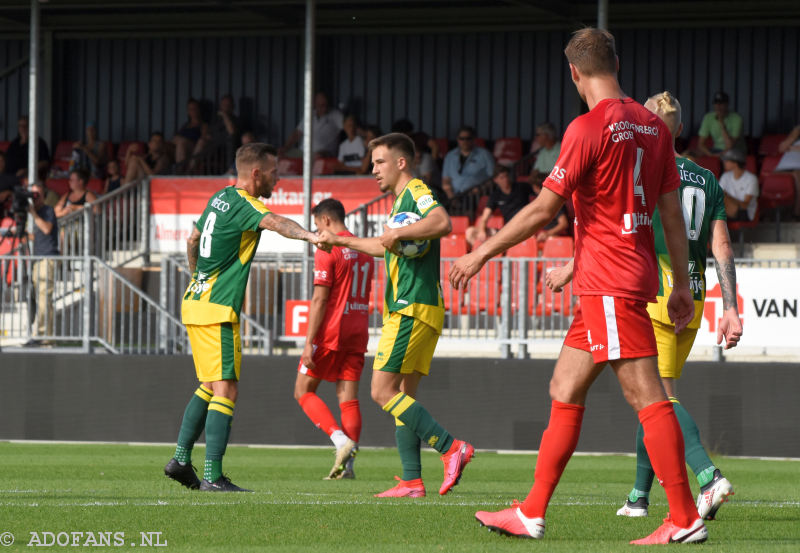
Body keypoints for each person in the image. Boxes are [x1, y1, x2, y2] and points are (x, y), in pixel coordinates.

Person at [450, 28, 708, 544]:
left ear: (573, 73)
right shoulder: (655, 129)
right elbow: (671, 214)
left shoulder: (587, 129)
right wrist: (681, 282)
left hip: (610, 281)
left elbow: (545, 210)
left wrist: (480, 251)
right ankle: (531, 512)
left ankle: (684, 518)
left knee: (647, 396)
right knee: (564, 387)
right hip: (612, 277)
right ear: (617, 62)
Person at [547, 91, 742, 522]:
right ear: (681, 128)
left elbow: (619, 226)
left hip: (656, 293)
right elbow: (722, 244)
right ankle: (638, 495)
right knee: (650, 393)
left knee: (657, 399)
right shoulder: (707, 178)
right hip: (693, 293)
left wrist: (570, 266)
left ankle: (708, 476)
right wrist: (730, 307)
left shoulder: (647, 168)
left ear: (649, 128)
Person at [317, 133, 475, 499]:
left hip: (411, 306)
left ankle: (452, 448)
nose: (373, 170)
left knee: (380, 391)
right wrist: (341, 240)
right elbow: (384, 246)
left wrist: (399, 232)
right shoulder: (399, 205)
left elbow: (441, 222)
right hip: (420, 307)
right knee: (404, 395)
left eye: (379, 162)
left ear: (401, 163)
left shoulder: (417, 191)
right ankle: (411, 481)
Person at [163, 142, 327, 492]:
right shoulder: (245, 204)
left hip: (195, 301)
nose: (278, 179)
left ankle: (180, 459)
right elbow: (276, 222)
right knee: (227, 389)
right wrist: (311, 236)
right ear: (256, 173)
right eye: (274, 172)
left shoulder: (218, 197)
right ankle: (212, 476)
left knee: (209, 385)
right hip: (218, 308)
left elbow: (193, 240)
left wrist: (198, 277)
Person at [294, 198, 372, 480]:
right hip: (358, 329)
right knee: (347, 398)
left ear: (326, 221)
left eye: (316, 225)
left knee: (303, 390)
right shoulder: (363, 249)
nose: (317, 231)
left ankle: (341, 441)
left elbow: (319, 298)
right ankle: (348, 468)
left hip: (330, 332)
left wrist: (308, 342)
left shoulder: (328, 248)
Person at [465, 165, 531, 247]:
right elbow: (485, 216)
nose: (505, 179)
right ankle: (478, 255)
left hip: (525, 226)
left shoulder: (521, 187)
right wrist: (482, 230)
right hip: (507, 230)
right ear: (495, 180)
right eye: (502, 177)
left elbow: (538, 191)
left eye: (506, 176)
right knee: (470, 231)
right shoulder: (495, 195)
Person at [27, 181, 60, 346]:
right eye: (32, 195)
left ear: (44, 196)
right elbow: (38, 235)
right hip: (38, 258)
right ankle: (48, 337)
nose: (35, 198)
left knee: (43, 298)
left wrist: (33, 214)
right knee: (42, 299)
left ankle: (40, 336)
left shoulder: (47, 210)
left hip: (47, 258)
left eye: (37, 195)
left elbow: (47, 229)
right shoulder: (37, 213)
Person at [281, 92, 344, 158]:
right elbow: (297, 133)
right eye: (321, 105)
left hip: (324, 153)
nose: (324, 108)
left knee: (317, 156)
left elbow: (348, 127)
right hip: (303, 151)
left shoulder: (336, 115)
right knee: (281, 156)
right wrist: (286, 147)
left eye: (326, 104)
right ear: (315, 104)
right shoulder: (310, 114)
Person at [441, 125, 494, 199]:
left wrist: (481, 189)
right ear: (457, 139)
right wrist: (451, 197)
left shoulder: (484, 154)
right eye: (461, 139)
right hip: (453, 196)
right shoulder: (450, 155)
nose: (465, 141)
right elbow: (446, 179)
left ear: (474, 139)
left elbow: (493, 178)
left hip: (476, 196)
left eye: (468, 138)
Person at [697, 92, 743, 156]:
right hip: (715, 150)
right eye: (716, 103)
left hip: (734, 152)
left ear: (727, 104)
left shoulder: (737, 118)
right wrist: (711, 155)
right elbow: (701, 144)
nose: (718, 106)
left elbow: (730, 146)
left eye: (721, 103)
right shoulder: (708, 117)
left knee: (728, 155)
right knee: (689, 154)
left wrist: (721, 123)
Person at [719, 149, 758, 221]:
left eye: (727, 161)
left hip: (744, 212)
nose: (724, 163)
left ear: (735, 163)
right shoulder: (725, 176)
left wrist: (727, 196)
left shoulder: (751, 179)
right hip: (726, 210)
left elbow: (745, 205)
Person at [172, 98, 209, 168]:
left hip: (194, 148)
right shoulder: (185, 125)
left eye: (195, 109)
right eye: (190, 109)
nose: (193, 111)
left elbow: (204, 138)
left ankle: (185, 168)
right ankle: (180, 168)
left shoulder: (203, 125)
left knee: (182, 142)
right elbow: (175, 138)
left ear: (199, 110)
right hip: (182, 149)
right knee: (180, 142)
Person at [777, 125, 800, 220]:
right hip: (783, 168)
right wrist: (795, 132)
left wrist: (791, 148)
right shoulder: (797, 131)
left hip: (797, 169)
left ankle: (797, 213)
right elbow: (782, 148)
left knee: (797, 176)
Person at [528, 123, 561, 187]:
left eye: (538, 135)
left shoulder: (562, 149)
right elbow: (535, 170)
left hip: (555, 186)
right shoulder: (543, 151)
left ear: (546, 135)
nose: (536, 137)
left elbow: (560, 174)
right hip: (542, 185)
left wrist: (543, 177)